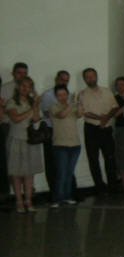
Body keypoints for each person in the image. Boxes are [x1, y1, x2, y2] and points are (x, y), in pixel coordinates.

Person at [78, 67, 119, 194]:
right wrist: (101, 118)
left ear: (96, 77)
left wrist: (106, 118)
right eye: (87, 77)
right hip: (91, 129)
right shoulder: (82, 94)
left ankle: (113, 186)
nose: (90, 79)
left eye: (92, 76)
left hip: (106, 129)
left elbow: (115, 107)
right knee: (93, 159)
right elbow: (85, 112)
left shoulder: (106, 91)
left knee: (110, 158)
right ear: (84, 79)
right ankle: (99, 186)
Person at [5, 77, 43, 213]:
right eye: (22, 85)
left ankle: (28, 200)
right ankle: (19, 201)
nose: (25, 89)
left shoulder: (32, 102)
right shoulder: (11, 101)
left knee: (29, 173)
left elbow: (36, 119)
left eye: (28, 86)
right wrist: (32, 108)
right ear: (18, 87)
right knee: (16, 173)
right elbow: (16, 119)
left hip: (30, 140)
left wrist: (36, 104)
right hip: (16, 139)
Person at [40, 70, 75, 199]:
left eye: (67, 80)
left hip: (65, 132)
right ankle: (54, 194)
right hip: (51, 130)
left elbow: (73, 113)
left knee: (67, 164)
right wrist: (64, 110)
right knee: (52, 164)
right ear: (56, 79)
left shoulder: (69, 95)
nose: (64, 82)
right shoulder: (48, 95)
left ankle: (69, 193)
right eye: (62, 79)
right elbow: (49, 113)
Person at [49, 84, 82, 207]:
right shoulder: (53, 107)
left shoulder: (72, 107)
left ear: (67, 94)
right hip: (60, 145)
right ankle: (56, 199)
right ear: (56, 96)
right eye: (59, 95)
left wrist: (79, 102)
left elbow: (80, 114)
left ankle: (67, 196)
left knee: (69, 173)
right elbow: (62, 115)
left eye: (64, 94)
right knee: (61, 173)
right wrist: (71, 104)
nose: (62, 97)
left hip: (75, 145)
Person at [0, 62, 28, 198]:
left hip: (25, 127)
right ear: (13, 74)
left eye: (25, 73)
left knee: (26, 161)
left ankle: (27, 192)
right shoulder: (5, 88)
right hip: (8, 126)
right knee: (11, 161)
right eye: (19, 73)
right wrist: (12, 112)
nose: (22, 76)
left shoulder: (29, 87)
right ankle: (12, 193)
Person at [113, 76, 124, 192]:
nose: (120, 87)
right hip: (121, 128)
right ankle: (123, 180)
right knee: (121, 154)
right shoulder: (114, 98)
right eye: (118, 85)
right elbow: (115, 114)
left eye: (122, 84)